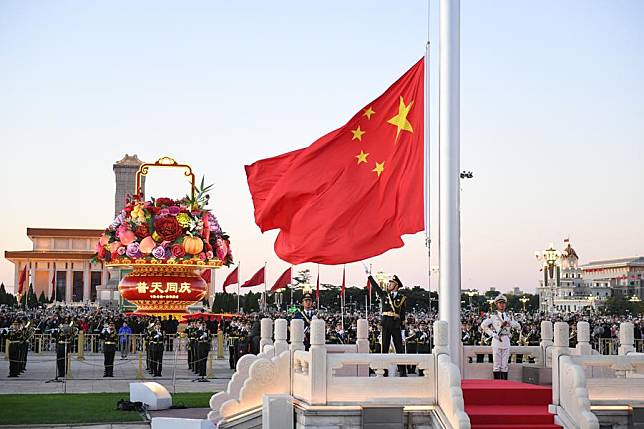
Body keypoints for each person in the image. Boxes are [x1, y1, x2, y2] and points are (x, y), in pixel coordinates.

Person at [368, 274, 407, 377]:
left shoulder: (402, 298)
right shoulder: (384, 295)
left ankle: (402, 371)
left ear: (396, 285)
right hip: (385, 324)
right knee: (384, 348)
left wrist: (403, 331)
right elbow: (376, 287)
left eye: (391, 283)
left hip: (395, 324)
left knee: (399, 349)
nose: (389, 284)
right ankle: (383, 370)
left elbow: (402, 315)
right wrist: (369, 276)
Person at [481, 294, 521, 380]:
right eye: (500, 303)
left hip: (506, 339)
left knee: (505, 365)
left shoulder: (509, 316)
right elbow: (483, 325)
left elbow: (518, 326)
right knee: (496, 365)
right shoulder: (493, 316)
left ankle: (504, 384)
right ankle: (497, 385)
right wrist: (492, 334)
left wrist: (510, 323)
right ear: (497, 304)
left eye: (503, 303)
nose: (502, 305)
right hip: (496, 340)